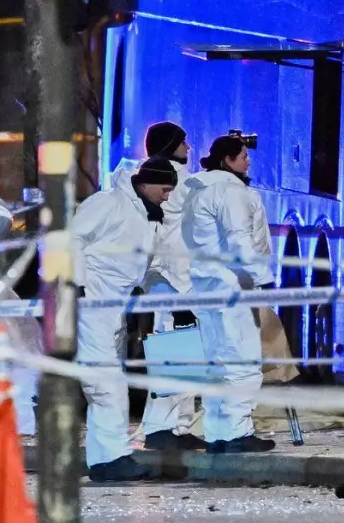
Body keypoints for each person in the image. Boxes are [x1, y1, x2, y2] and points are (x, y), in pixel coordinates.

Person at [72, 155, 178, 481]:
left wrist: (177, 299)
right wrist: (73, 286)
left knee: (107, 382)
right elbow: (68, 239)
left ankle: (106, 459)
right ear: (146, 184)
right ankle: (112, 458)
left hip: (111, 309)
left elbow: (149, 269)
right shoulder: (107, 204)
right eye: (164, 188)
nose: (168, 195)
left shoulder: (147, 217)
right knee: (106, 383)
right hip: (90, 303)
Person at [178, 134, 277, 454]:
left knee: (217, 362)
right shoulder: (232, 192)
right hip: (236, 285)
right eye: (243, 155)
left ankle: (218, 432)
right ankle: (236, 432)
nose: (248, 160)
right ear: (227, 160)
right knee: (243, 361)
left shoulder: (198, 190)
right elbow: (239, 239)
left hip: (206, 285)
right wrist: (263, 279)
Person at [134, 121, 209, 451]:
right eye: (183, 143)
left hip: (171, 279)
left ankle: (176, 426)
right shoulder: (176, 182)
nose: (189, 148)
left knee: (181, 352)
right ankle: (163, 427)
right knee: (174, 351)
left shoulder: (165, 181)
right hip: (173, 280)